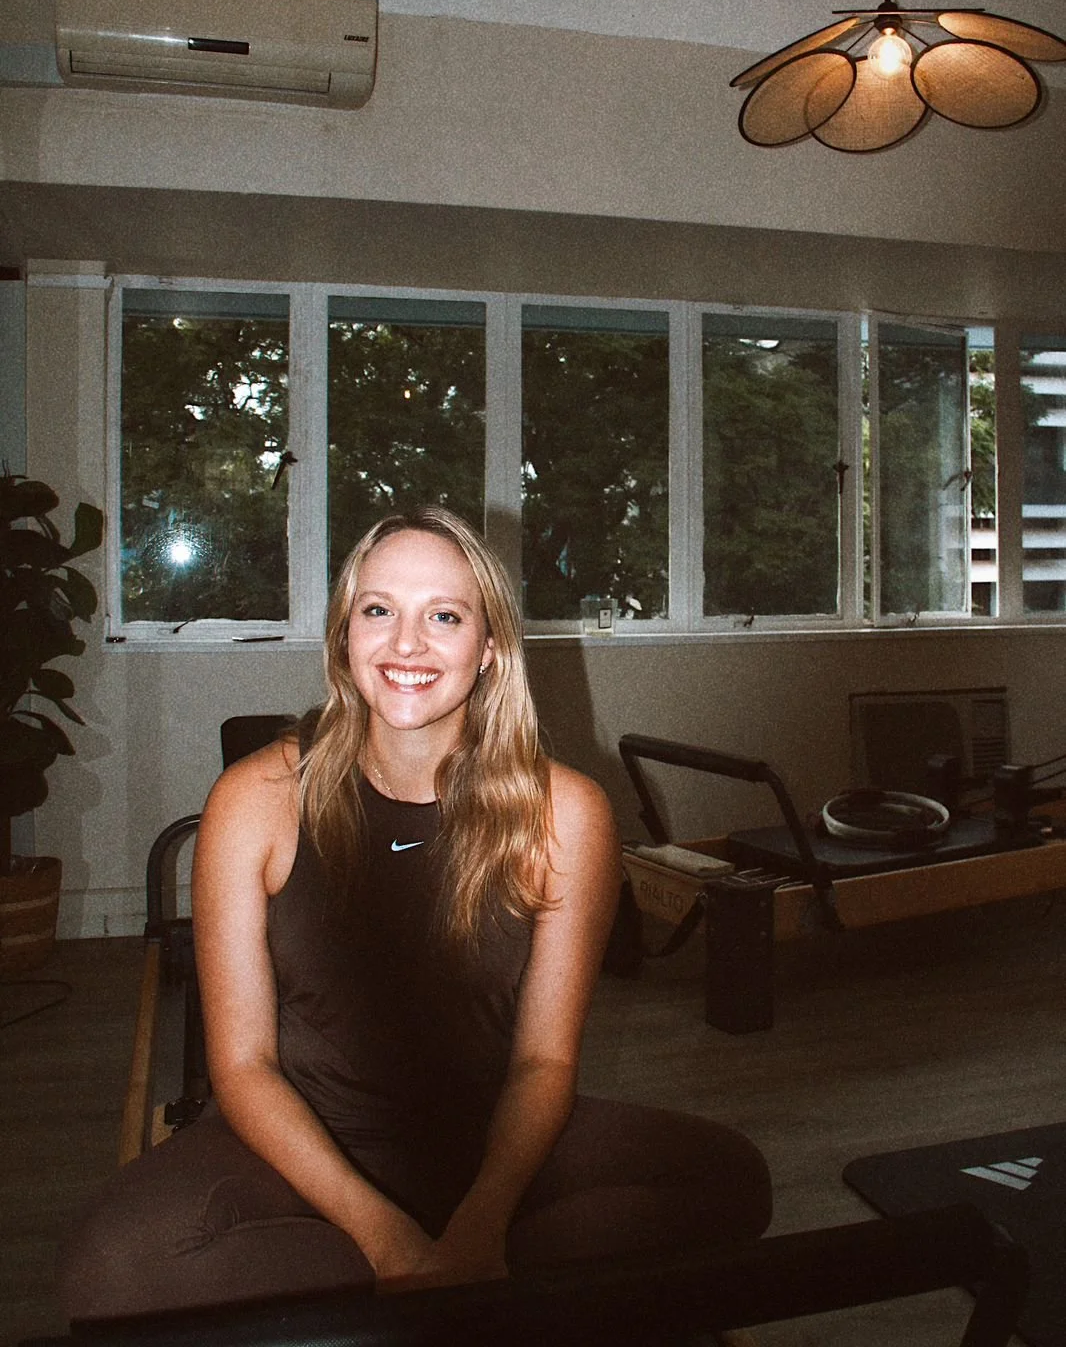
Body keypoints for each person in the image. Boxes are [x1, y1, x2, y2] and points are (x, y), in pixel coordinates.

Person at [61, 507, 771, 1320]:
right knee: (109, 1271)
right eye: (378, 611)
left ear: (490, 647)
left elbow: (544, 1066)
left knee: (728, 1180)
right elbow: (244, 1067)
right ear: (343, 637)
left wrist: (481, 1222)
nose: (407, 645)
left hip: (492, 1140)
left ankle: (419, 1294)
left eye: (444, 616)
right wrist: (386, 1240)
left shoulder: (566, 813)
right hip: (301, 1145)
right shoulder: (256, 800)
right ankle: (450, 1296)